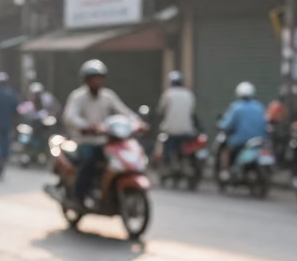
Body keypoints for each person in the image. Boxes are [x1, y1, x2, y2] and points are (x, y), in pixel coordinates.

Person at [62, 59, 141, 206]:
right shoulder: (78, 97)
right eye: (93, 79)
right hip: (85, 141)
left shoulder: (108, 96)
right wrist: (87, 126)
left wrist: (137, 122)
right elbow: (70, 117)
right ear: (86, 80)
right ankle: (78, 196)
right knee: (89, 162)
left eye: (99, 78)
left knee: (119, 161)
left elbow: (124, 111)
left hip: (106, 141)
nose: (96, 82)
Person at [218, 82, 266, 176]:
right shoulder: (259, 107)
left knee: (226, 150)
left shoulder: (236, 108)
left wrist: (221, 127)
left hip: (241, 141)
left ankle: (226, 172)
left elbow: (227, 124)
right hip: (260, 140)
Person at [157, 71, 198, 165]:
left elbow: (160, 111)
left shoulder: (167, 94)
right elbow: (192, 113)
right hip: (187, 130)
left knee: (164, 146)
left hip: (170, 131)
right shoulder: (189, 94)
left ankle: (167, 163)